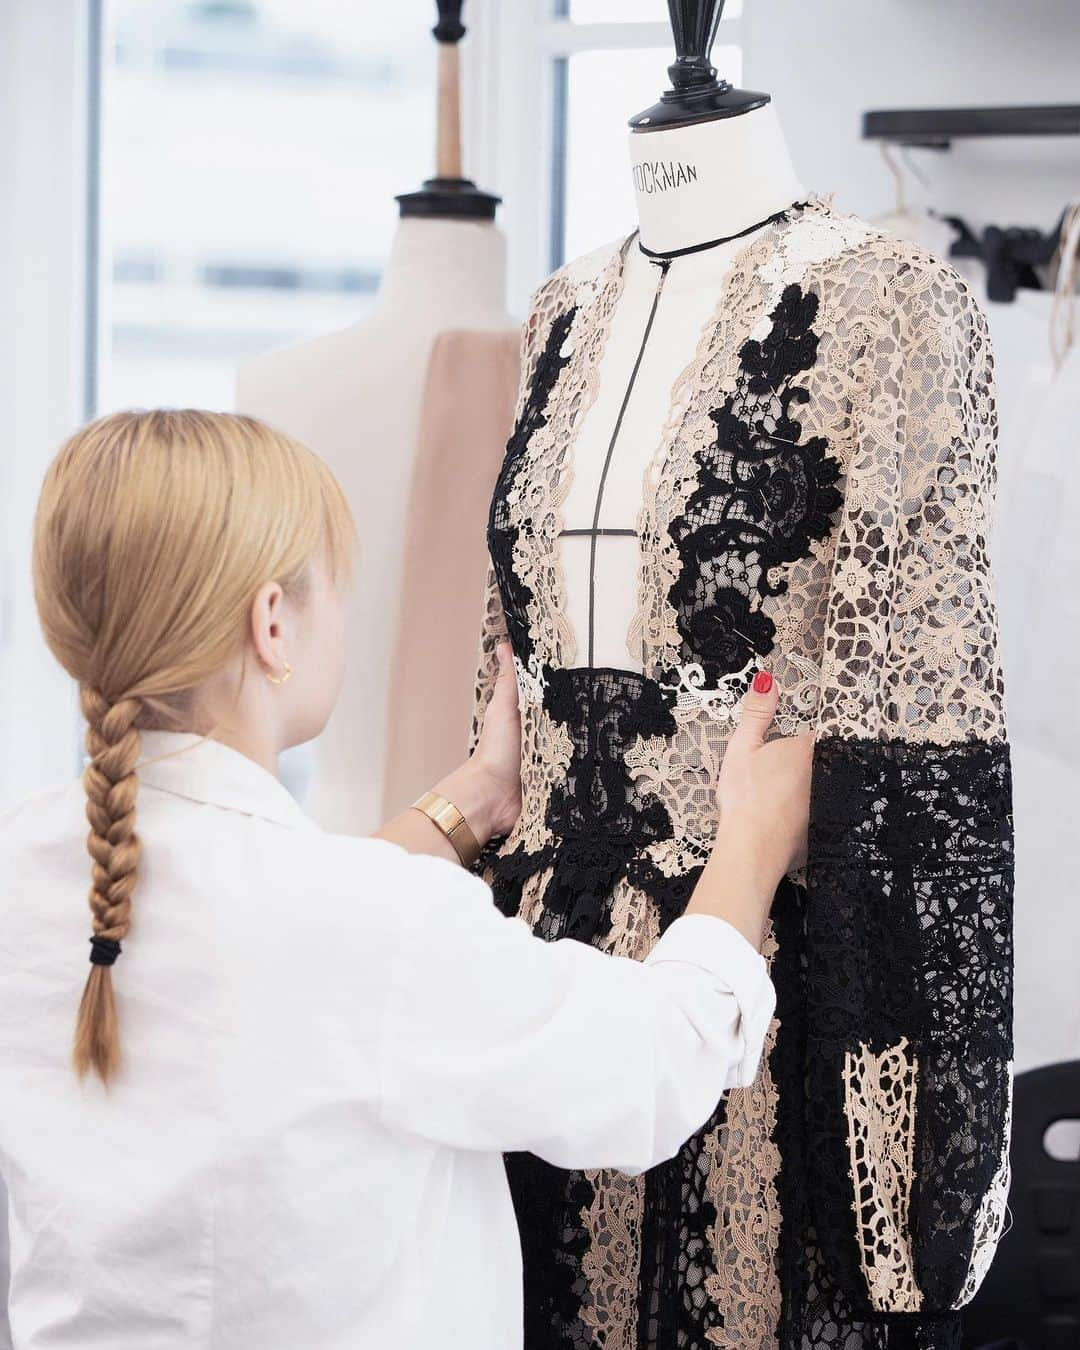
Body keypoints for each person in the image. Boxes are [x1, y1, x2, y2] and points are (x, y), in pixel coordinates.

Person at [0, 410, 812, 1350]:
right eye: (331, 588)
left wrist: (471, 799)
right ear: (274, 625)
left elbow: (272, 958)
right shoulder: (366, 929)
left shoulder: (30, 866)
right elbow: (654, 1066)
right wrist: (753, 838)